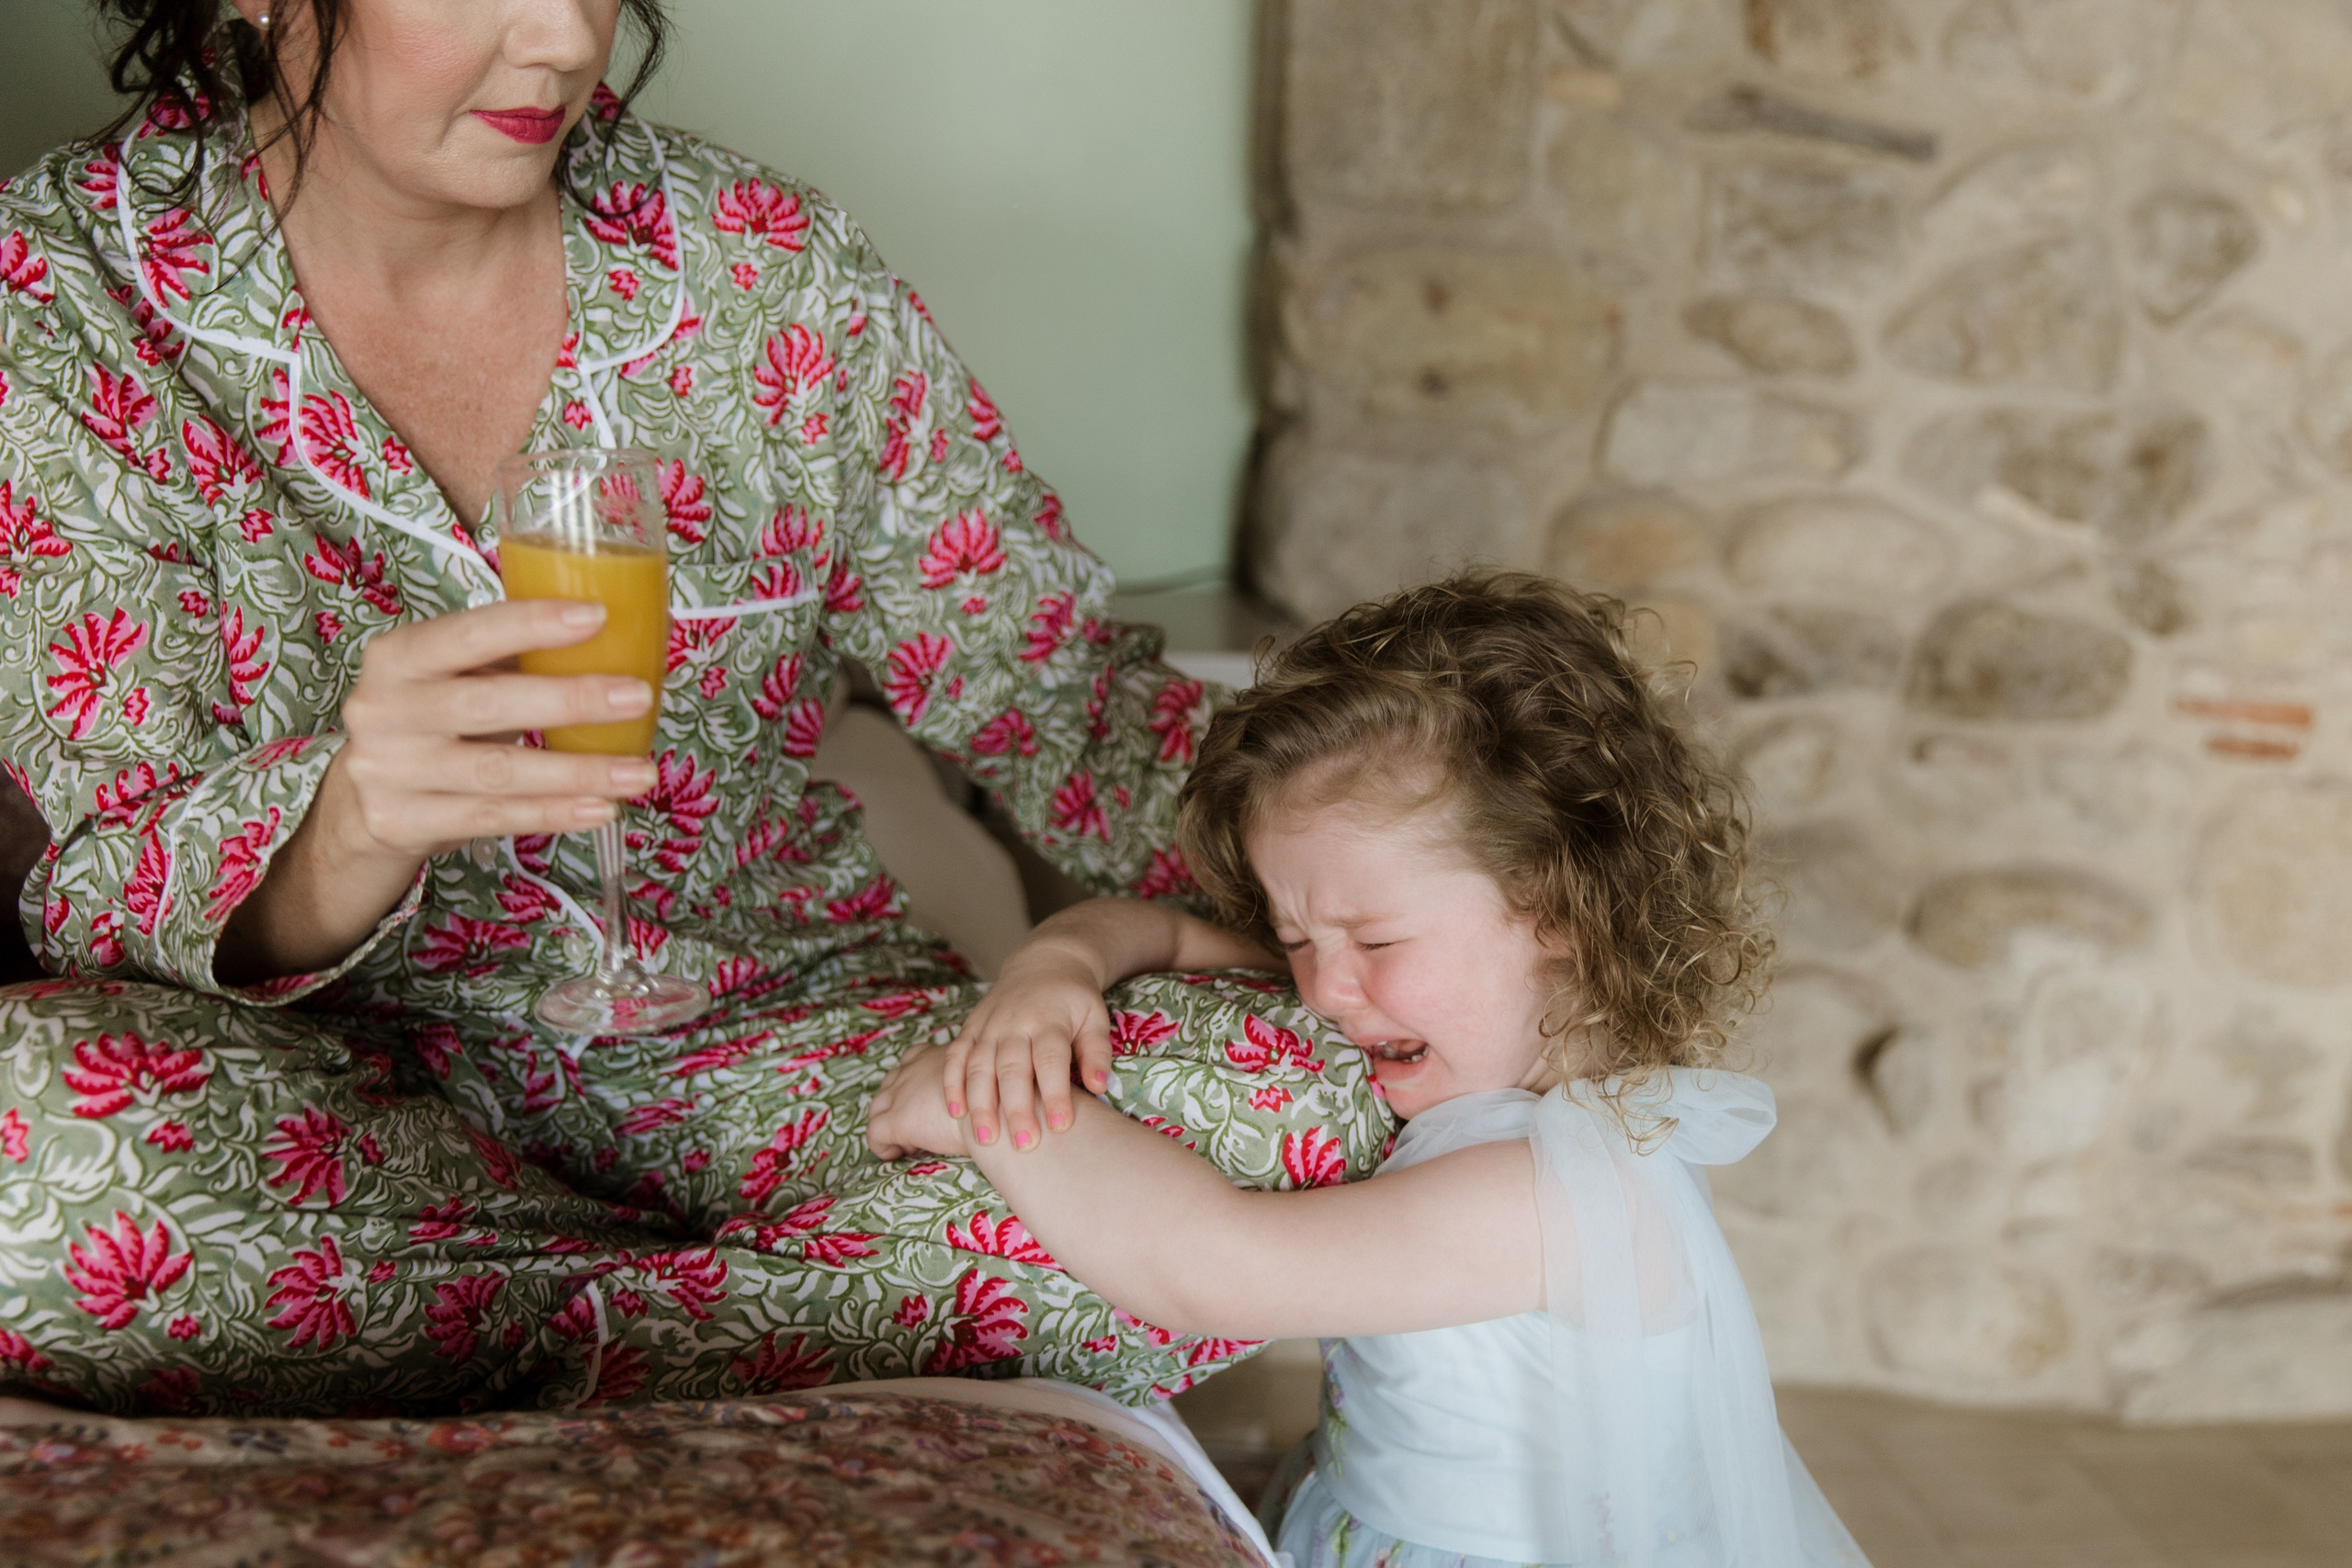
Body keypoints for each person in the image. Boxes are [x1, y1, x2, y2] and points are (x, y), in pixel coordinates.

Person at [0, 0, 1388, 1416]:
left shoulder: (767, 272)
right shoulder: (59, 292)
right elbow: (109, 884)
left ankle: (535, 1357)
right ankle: (798, 1314)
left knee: (1311, 1091)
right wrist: (345, 824)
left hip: (791, 1053)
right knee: (22, 1159)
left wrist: (1423, 874)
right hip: (348, 1107)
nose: (557, 39)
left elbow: (1052, 688)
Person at [868, 574, 1875, 1567]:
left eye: (1373, 942)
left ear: (1557, 909)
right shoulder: (1436, 1012)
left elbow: (1213, 1270)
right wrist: (1054, 969)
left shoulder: (1557, 1194)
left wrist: (989, 1112)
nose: (1319, 990)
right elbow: (1167, 935)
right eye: (1296, 936)